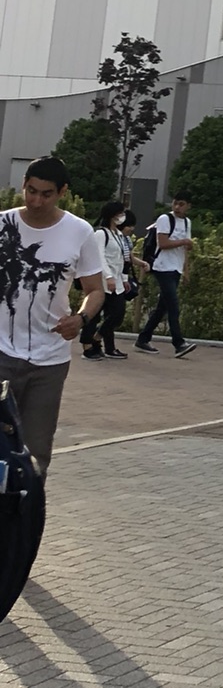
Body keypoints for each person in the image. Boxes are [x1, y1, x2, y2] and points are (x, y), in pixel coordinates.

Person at [0, 156, 106, 473]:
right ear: (23, 185)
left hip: (49, 359)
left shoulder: (79, 232)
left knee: (35, 454)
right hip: (1, 351)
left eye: (46, 194)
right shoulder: (4, 225)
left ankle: (26, 520)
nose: (36, 200)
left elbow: (95, 290)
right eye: (30, 191)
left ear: (62, 192)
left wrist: (82, 318)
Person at [134, 194, 195, 356]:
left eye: (181, 204)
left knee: (163, 306)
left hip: (175, 268)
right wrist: (184, 242)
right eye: (175, 203)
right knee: (173, 305)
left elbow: (185, 250)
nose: (177, 207)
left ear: (188, 205)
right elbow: (163, 243)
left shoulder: (187, 222)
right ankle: (178, 342)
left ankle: (143, 338)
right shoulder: (165, 219)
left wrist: (186, 270)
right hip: (162, 266)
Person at [81, 202, 135, 361]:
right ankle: (87, 346)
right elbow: (100, 257)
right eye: (121, 213)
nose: (122, 217)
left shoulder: (118, 235)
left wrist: (124, 279)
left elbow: (122, 259)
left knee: (117, 314)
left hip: (117, 282)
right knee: (94, 315)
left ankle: (97, 337)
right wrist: (108, 276)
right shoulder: (101, 234)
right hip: (102, 282)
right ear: (113, 215)